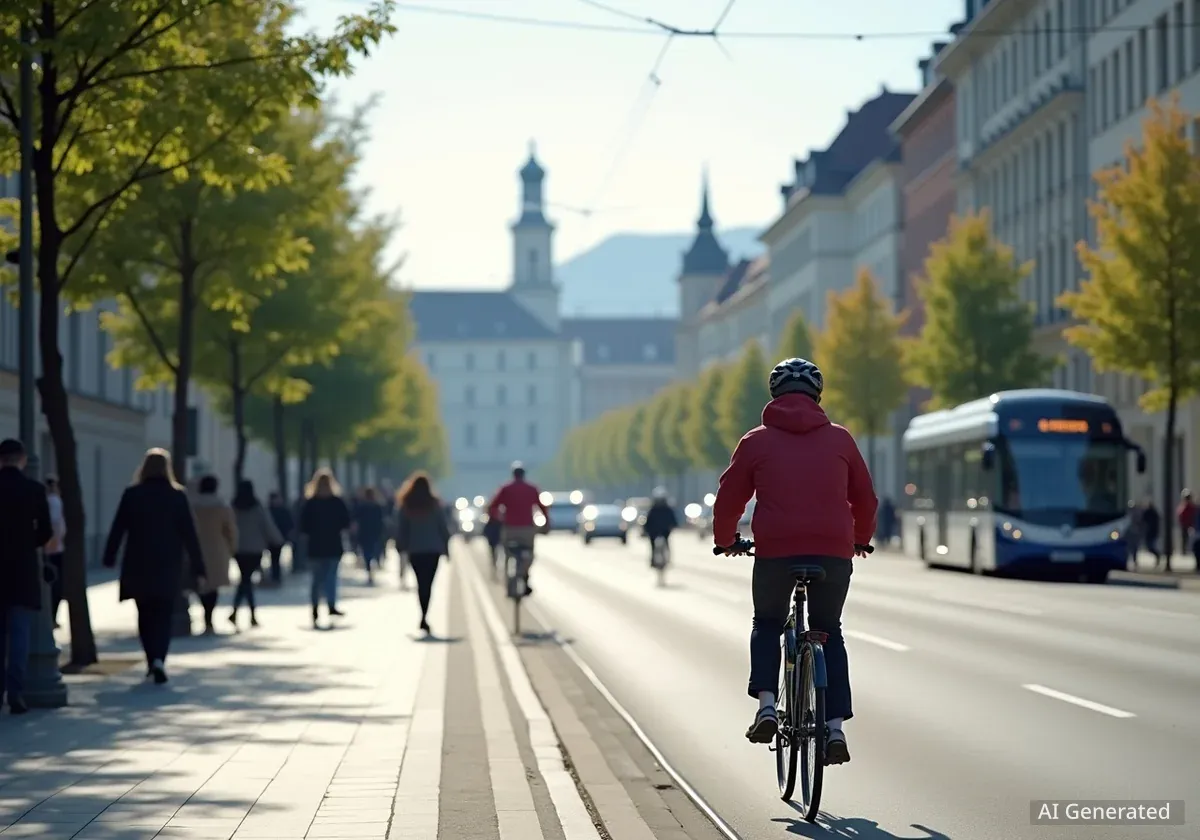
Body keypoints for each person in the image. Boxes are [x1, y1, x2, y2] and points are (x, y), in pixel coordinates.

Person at [711, 358, 877, 766]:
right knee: (828, 631)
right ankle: (834, 728)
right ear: (817, 396)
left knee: (767, 623)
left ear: (774, 395)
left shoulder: (755, 441)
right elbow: (866, 499)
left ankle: (767, 705)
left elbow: (729, 499)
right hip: (833, 551)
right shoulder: (841, 439)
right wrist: (860, 540)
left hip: (775, 550)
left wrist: (726, 541)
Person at [102, 448, 205, 683]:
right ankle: (159, 658)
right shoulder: (177, 495)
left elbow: (118, 528)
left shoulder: (132, 494)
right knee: (164, 613)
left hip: (138, 564)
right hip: (168, 564)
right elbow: (190, 534)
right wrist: (199, 567)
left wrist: (109, 556)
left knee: (144, 612)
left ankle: (151, 659)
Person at [0, 439, 53, 714]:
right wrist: (26, 542)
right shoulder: (34, 490)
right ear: (22, 459)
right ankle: (16, 692)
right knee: (20, 634)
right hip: (22, 569)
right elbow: (45, 532)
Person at [394, 472, 452, 635]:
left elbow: (401, 528)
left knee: (420, 582)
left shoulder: (406, 504)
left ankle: (423, 614)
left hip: (415, 549)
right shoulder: (434, 504)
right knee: (429, 583)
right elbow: (443, 528)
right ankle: (425, 614)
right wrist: (447, 549)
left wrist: (401, 546)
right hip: (433, 549)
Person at [487, 462, 549, 594]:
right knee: (530, 554)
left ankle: (508, 579)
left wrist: (497, 518)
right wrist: (546, 523)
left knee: (508, 553)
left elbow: (492, 506)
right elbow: (542, 507)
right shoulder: (532, 489)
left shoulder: (505, 488)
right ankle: (523, 574)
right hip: (526, 528)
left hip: (509, 528)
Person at [300, 468, 351, 628]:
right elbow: (346, 522)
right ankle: (331, 605)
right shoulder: (337, 502)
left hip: (315, 546)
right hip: (333, 545)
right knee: (331, 577)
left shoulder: (311, 503)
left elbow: (303, 526)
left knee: (316, 580)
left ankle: (315, 609)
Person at [231, 480, 283, 628]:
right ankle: (248, 614)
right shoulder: (257, 507)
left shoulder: (234, 507)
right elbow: (267, 526)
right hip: (255, 549)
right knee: (246, 580)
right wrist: (277, 540)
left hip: (238, 549)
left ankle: (239, 612)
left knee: (245, 580)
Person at [189, 475, 237, 634]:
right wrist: (232, 548)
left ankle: (205, 614)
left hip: (196, 549)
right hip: (217, 549)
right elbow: (230, 529)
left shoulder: (193, 506)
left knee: (200, 583)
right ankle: (209, 618)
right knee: (214, 585)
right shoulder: (222, 506)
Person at [43, 475, 67, 628]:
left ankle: (51, 617)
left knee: (55, 586)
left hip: (53, 548)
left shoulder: (50, 501)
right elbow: (55, 524)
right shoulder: (54, 501)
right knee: (55, 586)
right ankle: (52, 617)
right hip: (54, 549)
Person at [353, 486, 386, 585]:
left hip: (364, 533)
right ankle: (373, 565)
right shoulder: (377, 506)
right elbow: (381, 521)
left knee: (366, 552)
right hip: (374, 533)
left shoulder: (361, 507)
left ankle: (369, 568)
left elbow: (355, 520)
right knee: (373, 551)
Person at [643, 487, 678, 567]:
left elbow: (673, 519)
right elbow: (648, 521)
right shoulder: (653, 509)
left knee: (665, 541)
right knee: (653, 544)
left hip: (663, 531)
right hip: (655, 532)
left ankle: (666, 557)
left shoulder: (666, 509)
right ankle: (653, 559)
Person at [265, 492, 294, 585]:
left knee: (275, 558)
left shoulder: (278, 511)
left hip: (279, 538)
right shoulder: (270, 511)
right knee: (274, 558)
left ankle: (275, 576)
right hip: (272, 538)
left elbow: (289, 524)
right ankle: (275, 576)